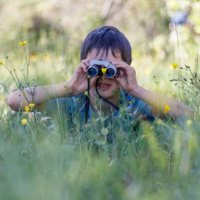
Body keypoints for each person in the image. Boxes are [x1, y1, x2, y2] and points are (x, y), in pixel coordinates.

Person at [7, 26, 193, 128]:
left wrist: (136, 90)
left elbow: (188, 115)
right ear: (84, 67)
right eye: (95, 68)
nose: (104, 76)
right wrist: (68, 88)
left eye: (111, 69)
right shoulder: (72, 102)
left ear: (125, 68)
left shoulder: (134, 105)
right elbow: (14, 101)